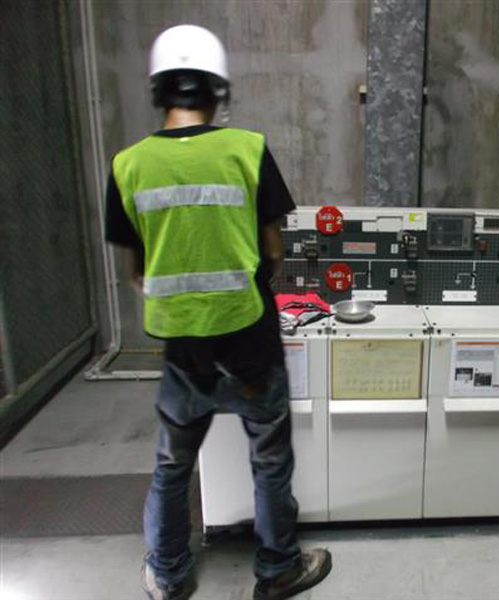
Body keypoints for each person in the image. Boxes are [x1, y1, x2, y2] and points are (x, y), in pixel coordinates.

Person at [104, 24, 332, 600]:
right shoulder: (247, 149)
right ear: (217, 89)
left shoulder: (128, 165)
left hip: (183, 351)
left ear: (159, 90)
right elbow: (273, 252)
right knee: (270, 459)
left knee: (172, 464)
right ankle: (277, 570)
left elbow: (136, 272)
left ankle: (169, 574)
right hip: (251, 344)